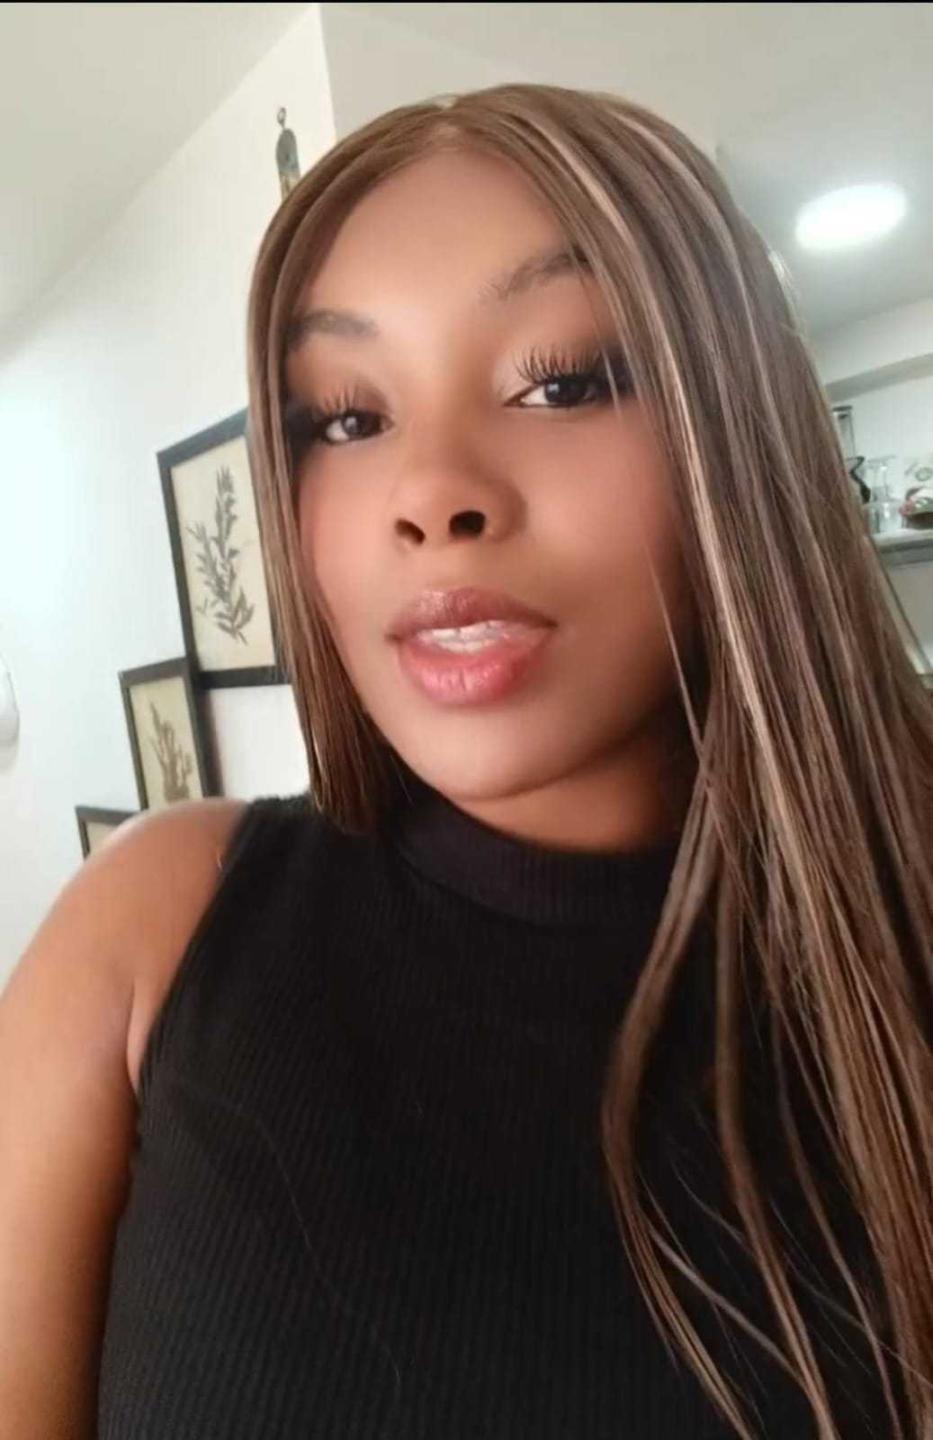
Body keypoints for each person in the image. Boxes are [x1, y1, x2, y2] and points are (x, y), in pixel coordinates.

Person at [2, 82, 931, 1440]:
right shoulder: (154, 929)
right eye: (345, 418)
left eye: (562, 381)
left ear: (737, 426)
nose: (432, 493)